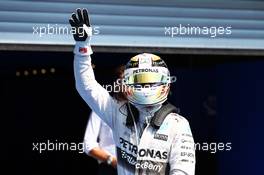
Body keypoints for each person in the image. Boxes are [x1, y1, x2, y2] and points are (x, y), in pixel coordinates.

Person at [70, 8, 195, 175]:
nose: (144, 86)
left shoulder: (178, 124)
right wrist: (82, 47)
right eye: (138, 80)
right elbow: (87, 87)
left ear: (165, 83)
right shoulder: (118, 113)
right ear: (126, 83)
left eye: (150, 79)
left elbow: (183, 171)